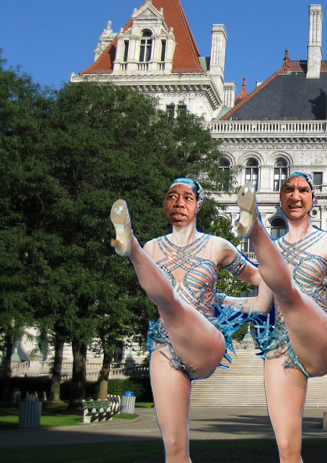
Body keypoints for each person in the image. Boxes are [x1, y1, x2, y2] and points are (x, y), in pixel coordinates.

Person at [110, 178, 287, 463]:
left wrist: (251, 303)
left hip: (206, 340)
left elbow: (260, 276)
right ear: (164, 204)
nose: (178, 203)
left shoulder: (217, 246)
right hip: (165, 346)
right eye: (171, 197)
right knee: (175, 453)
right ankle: (132, 249)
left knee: (170, 303)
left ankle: (131, 249)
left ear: (199, 205)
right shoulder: (154, 247)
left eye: (187, 198)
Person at [237, 173, 327, 463]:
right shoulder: (273, 254)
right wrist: (218, 300)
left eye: (303, 190)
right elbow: (261, 305)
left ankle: (254, 227)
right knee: (287, 449)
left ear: (313, 200)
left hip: (321, 338)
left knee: (288, 290)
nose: (295, 196)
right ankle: (254, 228)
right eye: (288, 190)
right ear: (280, 199)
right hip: (283, 345)